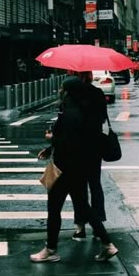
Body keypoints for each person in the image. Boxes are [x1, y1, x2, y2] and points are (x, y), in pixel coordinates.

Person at [30, 76, 118, 264]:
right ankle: (108, 244)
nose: (59, 90)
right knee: (83, 206)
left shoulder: (71, 112)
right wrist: (50, 148)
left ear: (69, 91)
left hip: (65, 167)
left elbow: (69, 140)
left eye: (62, 88)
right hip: (80, 165)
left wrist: (51, 140)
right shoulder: (84, 110)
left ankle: (51, 249)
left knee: (54, 207)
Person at [71, 70, 108, 240]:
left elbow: (67, 121)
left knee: (79, 187)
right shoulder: (98, 93)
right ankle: (98, 225)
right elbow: (102, 118)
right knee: (95, 184)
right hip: (95, 145)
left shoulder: (72, 95)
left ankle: (80, 227)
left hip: (77, 146)